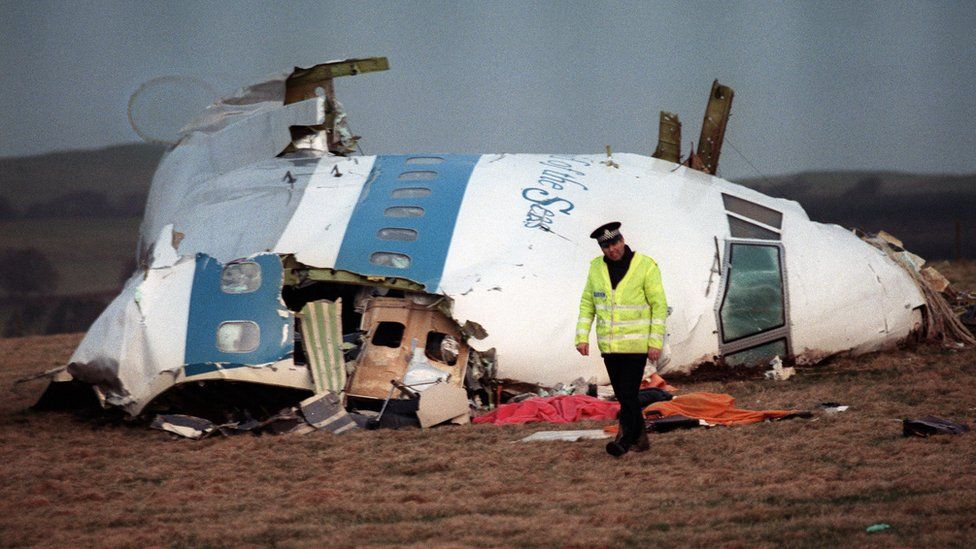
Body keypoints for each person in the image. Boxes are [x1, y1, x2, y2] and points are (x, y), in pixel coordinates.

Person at [575, 221, 668, 457]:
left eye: (615, 243)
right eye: (606, 246)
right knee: (625, 397)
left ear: (622, 240)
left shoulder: (645, 265)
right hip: (610, 346)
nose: (612, 249)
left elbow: (659, 306)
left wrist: (655, 342)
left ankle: (624, 442)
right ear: (601, 248)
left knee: (627, 395)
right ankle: (641, 439)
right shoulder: (596, 268)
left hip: (636, 346)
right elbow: (588, 304)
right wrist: (581, 336)